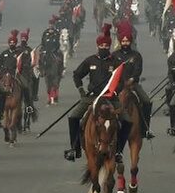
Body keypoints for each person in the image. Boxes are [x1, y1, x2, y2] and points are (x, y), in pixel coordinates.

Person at [65, 24, 131, 162]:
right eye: (102, 46)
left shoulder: (116, 62)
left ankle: (119, 150)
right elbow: (77, 75)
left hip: (110, 98)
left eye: (106, 47)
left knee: (127, 121)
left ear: (110, 47)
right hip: (93, 97)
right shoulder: (90, 61)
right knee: (73, 117)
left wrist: (114, 91)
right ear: (98, 46)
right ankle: (74, 148)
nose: (104, 49)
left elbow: (121, 81)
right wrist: (81, 90)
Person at [112, 20, 154, 139]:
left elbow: (138, 69)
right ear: (120, 42)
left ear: (130, 41)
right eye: (123, 41)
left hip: (132, 84)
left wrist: (132, 79)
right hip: (118, 84)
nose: (125, 43)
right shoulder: (114, 55)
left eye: (127, 41)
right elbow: (112, 70)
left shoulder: (136, 55)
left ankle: (145, 129)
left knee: (146, 101)